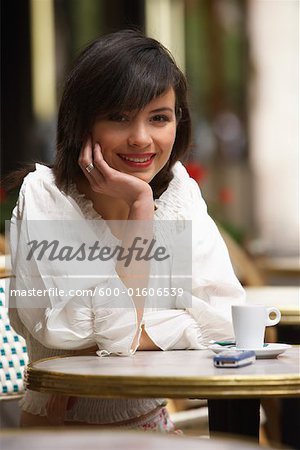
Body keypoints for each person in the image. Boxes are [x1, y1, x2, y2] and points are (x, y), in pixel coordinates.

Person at [8, 29, 245, 431]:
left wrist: (134, 328)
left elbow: (225, 321)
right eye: (118, 117)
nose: (141, 138)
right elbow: (77, 333)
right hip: (62, 436)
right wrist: (138, 208)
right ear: (82, 122)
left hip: (155, 427)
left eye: (159, 118)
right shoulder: (46, 200)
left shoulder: (179, 194)